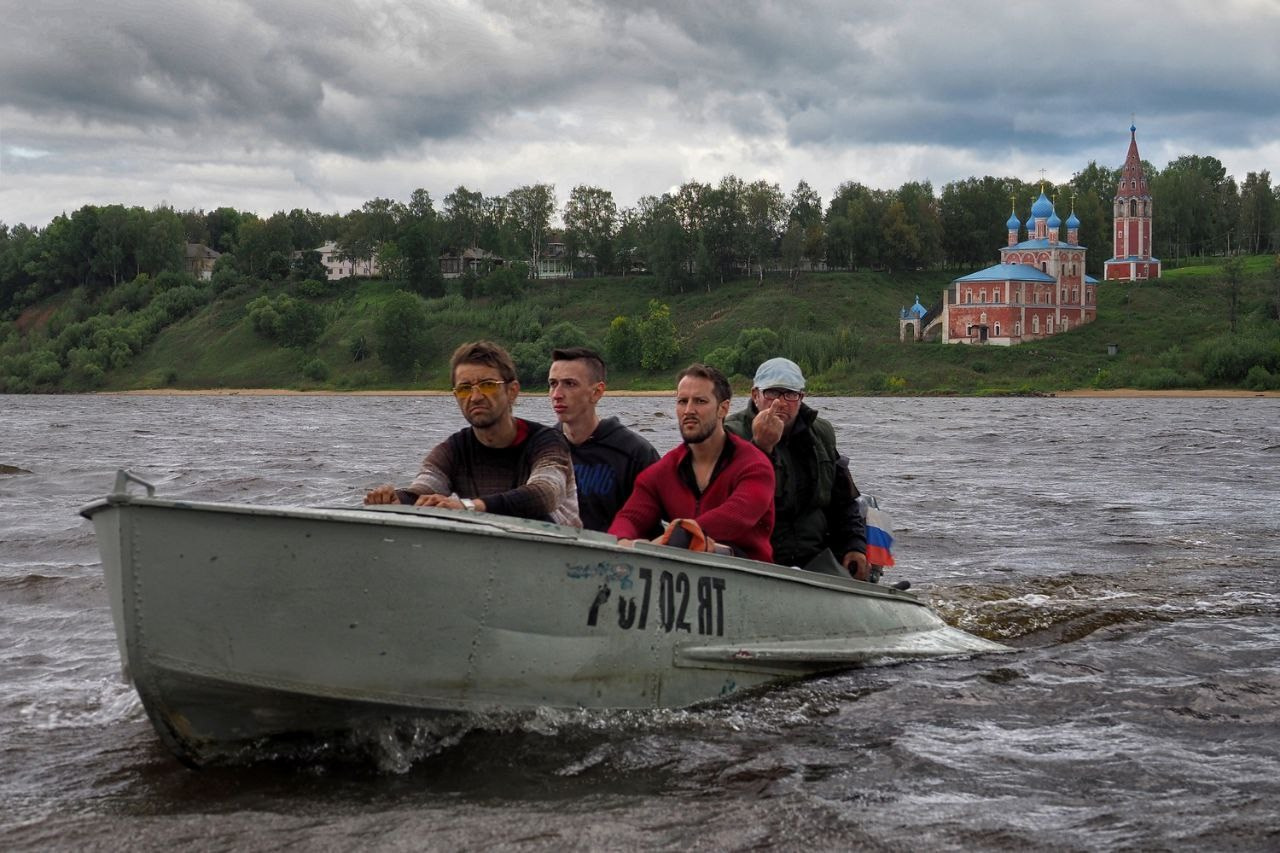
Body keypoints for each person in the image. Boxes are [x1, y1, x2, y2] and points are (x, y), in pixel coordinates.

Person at [365, 340, 581, 527]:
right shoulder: (453, 449)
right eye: (465, 388)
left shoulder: (547, 441)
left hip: (560, 549)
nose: (475, 397)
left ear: (512, 391)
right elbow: (424, 489)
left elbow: (545, 493)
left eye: (487, 385)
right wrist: (396, 499)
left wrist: (468, 506)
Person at [608, 363, 775, 562]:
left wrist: (680, 536)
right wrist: (621, 542)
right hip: (681, 569)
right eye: (682, 401)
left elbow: (737, 515)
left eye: (700, 401)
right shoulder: (662, 471)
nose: (688, 410)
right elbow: (629, 518)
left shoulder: (755, 466)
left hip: (747, 570)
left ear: (723, 409)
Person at [724, 357, 869, 579]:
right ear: (755, 395)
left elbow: (844, 501)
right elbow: (732, 504)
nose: (780, 403)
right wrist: (761, 447)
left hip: (816, 555)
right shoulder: (730, 434)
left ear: (801, 397)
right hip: (755, 556)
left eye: (790, 394)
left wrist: (855, 545)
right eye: (772, 393)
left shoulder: (821, 433)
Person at [548, 347, 660, 532]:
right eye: (553, 384)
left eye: (570, 384)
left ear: (597, 392)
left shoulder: (635, 453)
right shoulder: (543, 448)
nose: (557, 395)